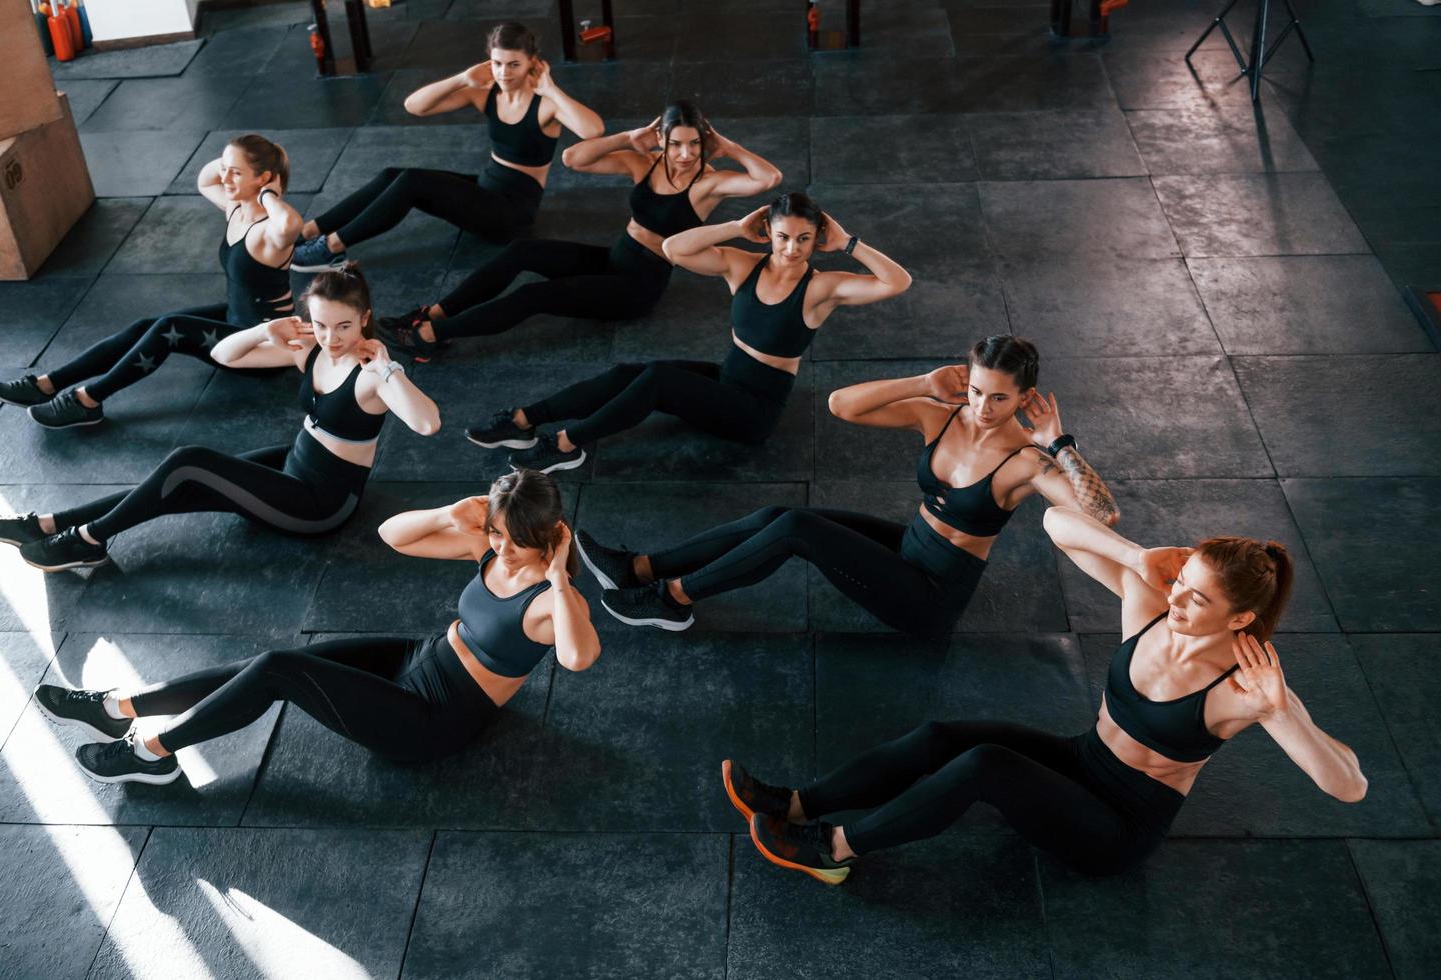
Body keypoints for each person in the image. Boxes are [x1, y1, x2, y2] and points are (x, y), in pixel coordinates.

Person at [725, 512, 1367, 886]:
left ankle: (834, 851)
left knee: (985, 766)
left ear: (1239, 620)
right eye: (1183, 583)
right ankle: (799, 802)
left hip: (1116, 827)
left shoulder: (1244, 688)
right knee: (944, 736)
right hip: (1081, 760)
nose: (1176, 599)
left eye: (1198, 598)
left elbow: (1348, 787)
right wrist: (1138, 555)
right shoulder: (1151, 608)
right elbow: (1058, 524)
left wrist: (1282, 712)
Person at [32, 469, 601, 784]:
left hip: (434, 719)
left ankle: (152, 751)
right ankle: (118, 708)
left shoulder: (554, 600)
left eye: (515, 539)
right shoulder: (492, 549)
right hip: (419, 657)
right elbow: (393, 536)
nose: (501, 549)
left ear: (547, 535)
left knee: (282, 670)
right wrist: (450, 514)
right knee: (267, 665)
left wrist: (555, 577)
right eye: (496, 533)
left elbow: (578, 658)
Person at [579, 336, 1119, 633]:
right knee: (776, 515)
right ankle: (641, 568)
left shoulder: (1028, 463)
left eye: (999, 398)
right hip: (909, 550)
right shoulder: (944, 416)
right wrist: (922, 384)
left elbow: (1101, 514)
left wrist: (1059, 442)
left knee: (795, 528)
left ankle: (670, 598)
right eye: (976, 391)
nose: (982, 407)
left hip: (929, 598)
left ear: (1026, 397)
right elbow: (842, 405)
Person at [0, 265, 439, 572]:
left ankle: (88, 540)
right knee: (175, 480)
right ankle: (51, 525)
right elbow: (223, 354)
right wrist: (262, 330)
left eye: (343, 325)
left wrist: (388, 368)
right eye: (319, 323)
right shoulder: (310, 350)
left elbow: (427, 424)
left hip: (322, 504)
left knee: (189, 462)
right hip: (294, 465)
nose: (330, 337)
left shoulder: (372, 377)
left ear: (364, 319)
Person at [464, 191, 912, 473]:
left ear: (818, 240)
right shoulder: (742, 266)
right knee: (629, 373)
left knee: (658, 382)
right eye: (782, 237)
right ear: (768, 234)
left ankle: (565, 445)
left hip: (755, 409)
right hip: (727, 378)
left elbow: (898, 282)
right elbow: (673, 248)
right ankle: (524, 420)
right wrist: (736, 228)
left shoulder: (821, 288)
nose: (792, 248)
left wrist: (850, 243)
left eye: (803, 239)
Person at [377, 101, 781, 362]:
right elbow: (574, 158)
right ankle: (433, 312)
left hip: (638, 287)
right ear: (661, 139)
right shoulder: (647, 164)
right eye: (676, 144)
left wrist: (725, 146)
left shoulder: (708, 182)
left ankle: (431, 335)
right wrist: (626, 138)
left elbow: (767, 178)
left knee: (534, 296)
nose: (685, 154)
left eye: (694, 145)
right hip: (613, 257)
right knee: (523, 252)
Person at [0, 134, 301, 429]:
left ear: (261, 179)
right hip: (238, 317)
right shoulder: (236, 208)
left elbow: (291, 223)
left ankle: (88, 400)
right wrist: (232, 162)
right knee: (148, 324)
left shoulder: (268, 231)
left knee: (169, 330)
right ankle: (46, 384)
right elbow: (204, 179)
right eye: (225, 169)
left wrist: (269, 192)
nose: (225, 178)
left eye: (235, 173)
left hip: (264, 342)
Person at [289, 21, 603, 272]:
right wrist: (462, 79)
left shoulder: (546, 104)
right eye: (497, 63)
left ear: (532, 63)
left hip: (511, 213)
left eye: (514, 64)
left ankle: (330, 248)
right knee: (391, 175)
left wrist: (552, 87)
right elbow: (414, 106)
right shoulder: (486, 92)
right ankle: (307, 232)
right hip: (486, 188)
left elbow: (593, 130)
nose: (504, 73)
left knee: (413, 183)